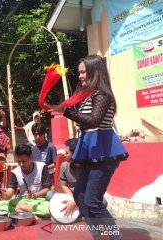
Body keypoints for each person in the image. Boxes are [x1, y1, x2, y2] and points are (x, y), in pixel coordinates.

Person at [47, 54, 128, 239]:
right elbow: (83, 122)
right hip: (90, 150)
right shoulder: (86, 96)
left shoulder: (103, 95)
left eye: (84, 72)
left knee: (92, 201)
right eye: (79, 73)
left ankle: (117, 238)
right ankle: (98, 236)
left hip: (104, 150)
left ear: (94, 71)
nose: (81, 76)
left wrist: (66, 111)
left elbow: (93, 121)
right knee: (81, 197)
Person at [0, 144, 51, 216]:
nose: (21, 164)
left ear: (31, 157)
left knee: (48, 209)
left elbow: (47, 189)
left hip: (38, 199)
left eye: (24, 161)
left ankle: (20, 210)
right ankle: (22, 210)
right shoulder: (15, 172)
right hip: (21, 200)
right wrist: (5, 195)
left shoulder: (42, 167)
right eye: (18, 161)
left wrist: (35, 195)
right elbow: (10, 191)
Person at [46, 138, 80, 217]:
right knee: (50, 194)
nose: (64, 154)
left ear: (75, 153)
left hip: (84, 195)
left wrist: (76, 201)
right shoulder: (64, 166)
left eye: (67, 152)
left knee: (103, 202)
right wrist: (72, 199)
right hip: (69, 194)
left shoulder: (88, 168)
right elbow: (64, 185)